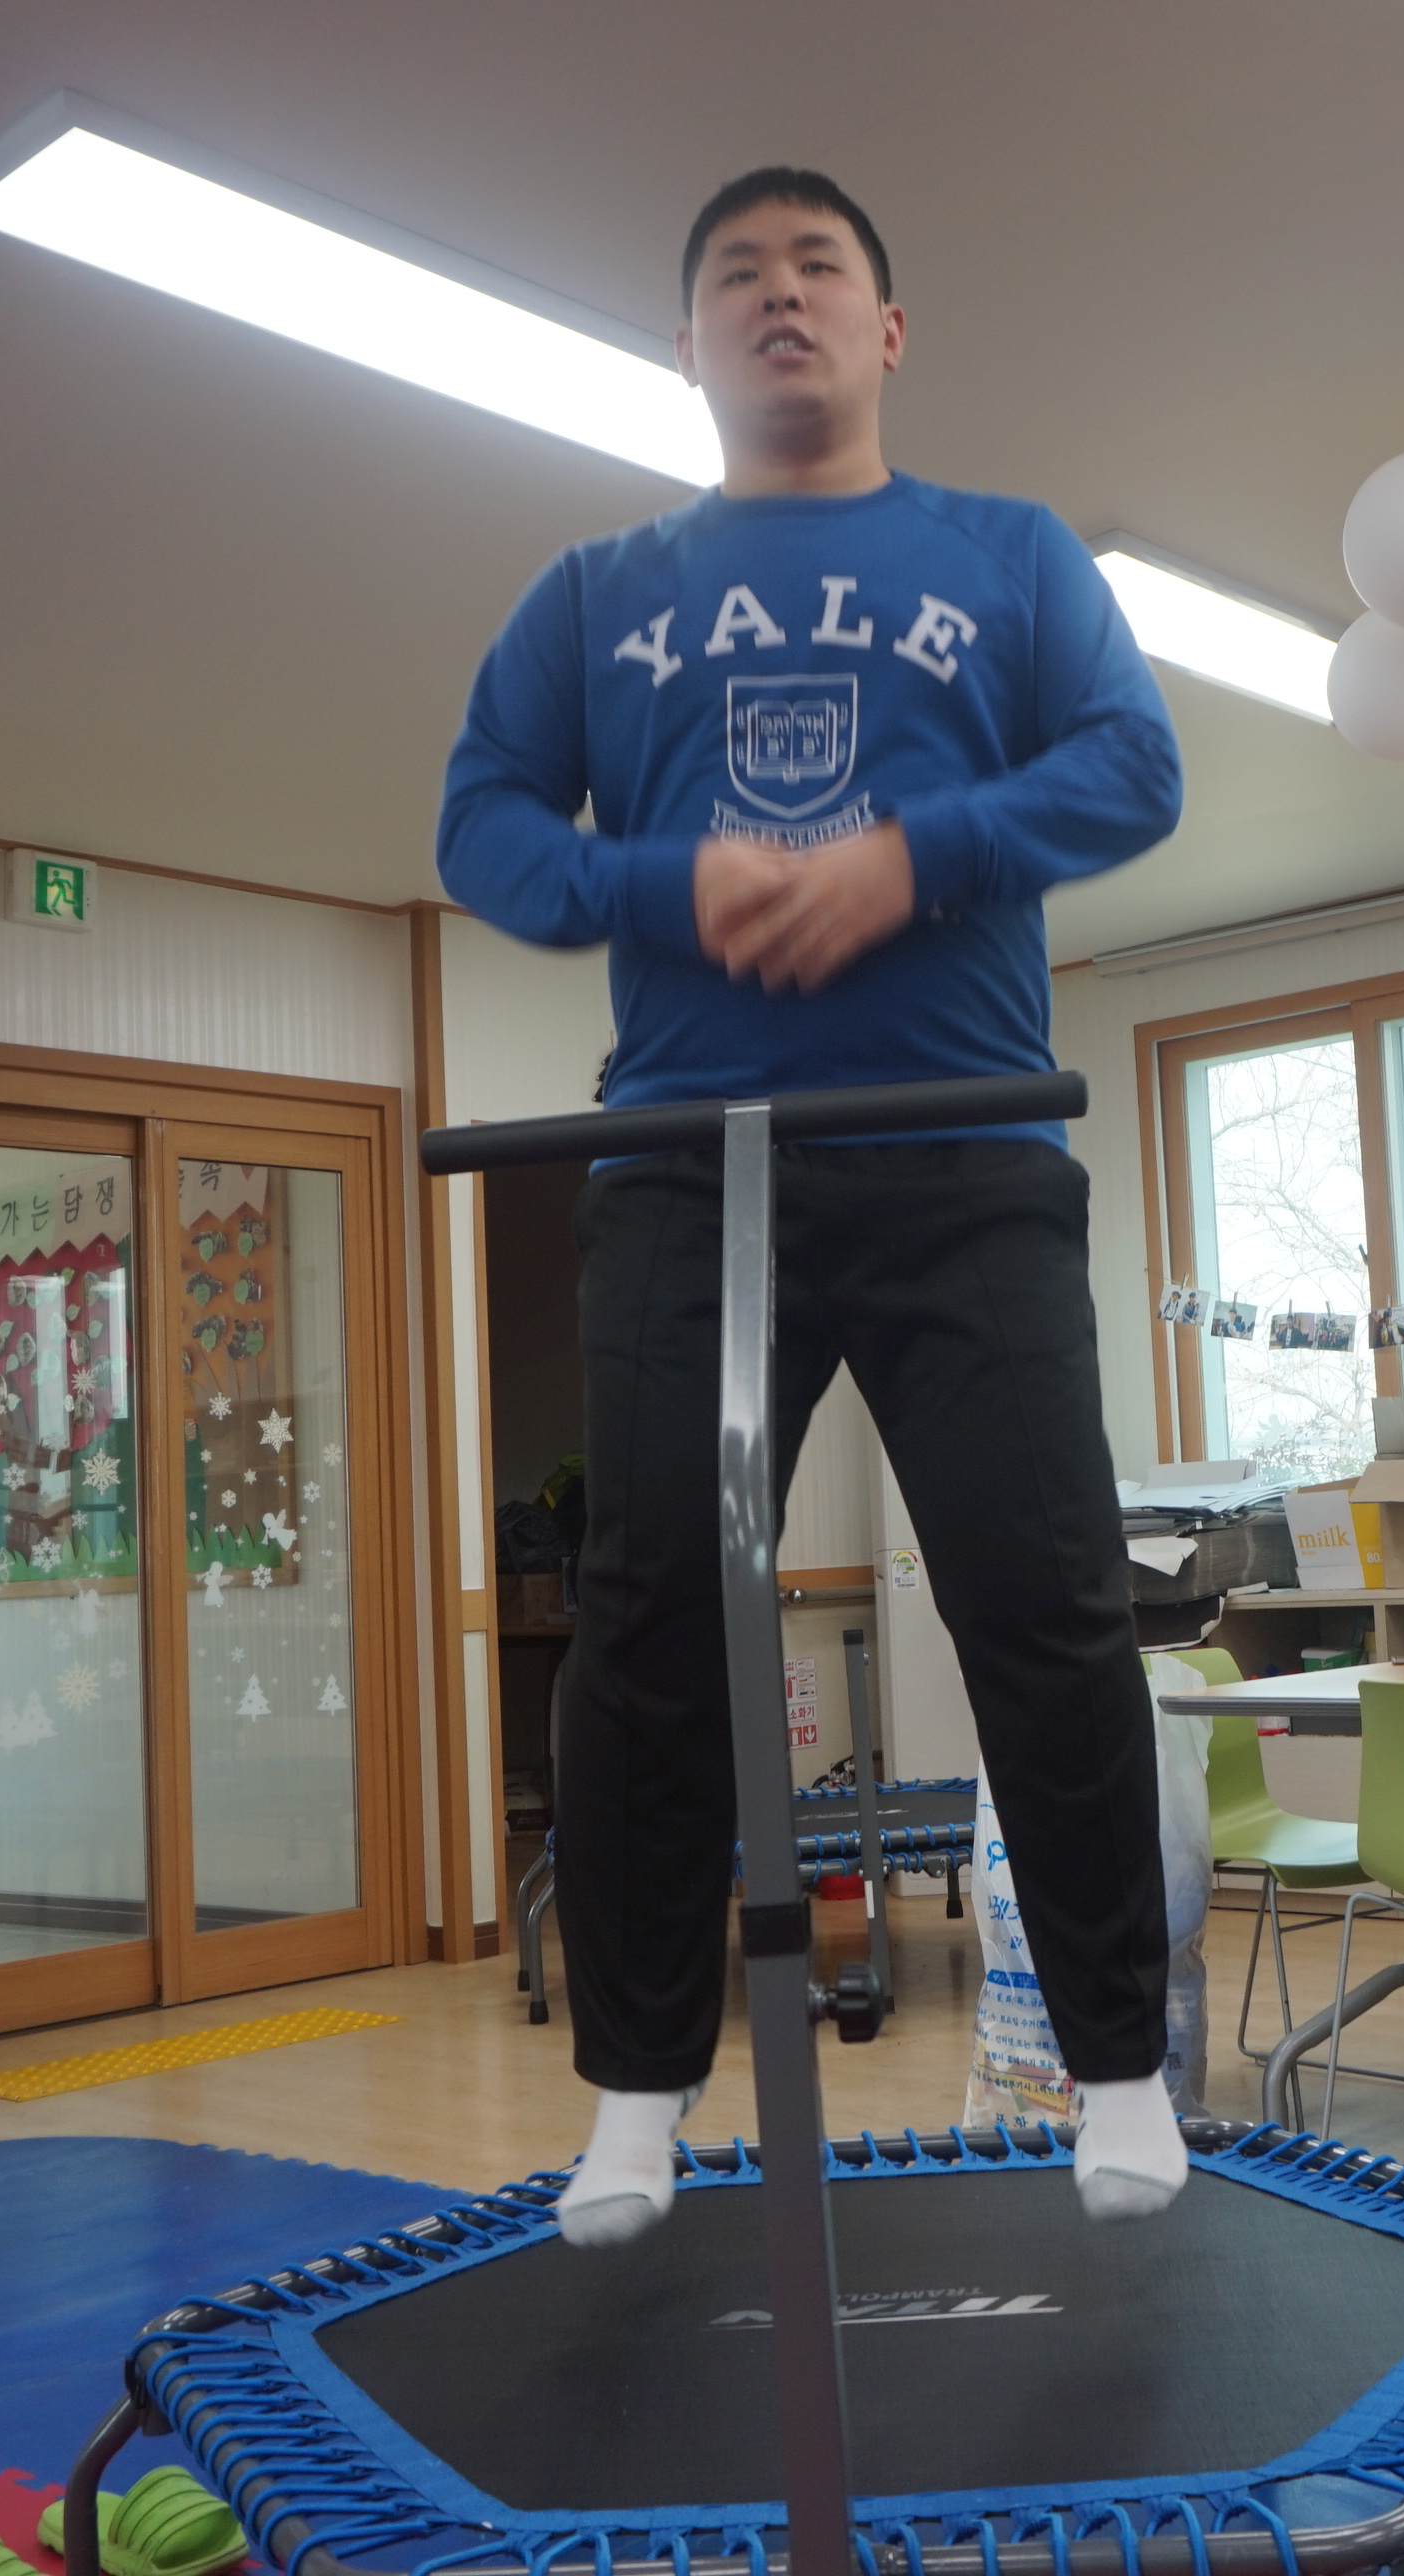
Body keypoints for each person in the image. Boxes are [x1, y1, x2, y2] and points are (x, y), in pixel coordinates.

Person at [436, 168, 1188, 2244]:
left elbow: (1134, 767)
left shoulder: (1010, 555)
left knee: (1047, 1602)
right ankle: (632, 2095)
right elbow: (483, 828)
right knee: (651, 1621)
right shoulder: (596, 592)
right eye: (738, 278)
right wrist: (661, 881)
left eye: (820, 268)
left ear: (888, 328)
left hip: (966, 1153)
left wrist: (913, 857)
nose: (781, 296)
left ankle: (1120, 2069)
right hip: (691, 1166)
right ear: (685, 343)